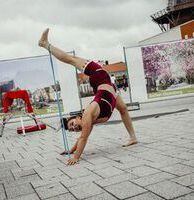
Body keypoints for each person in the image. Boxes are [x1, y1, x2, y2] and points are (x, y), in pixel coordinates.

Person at [38, 28, 137, 165]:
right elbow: (82, 136)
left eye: (72, 124)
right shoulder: (86, 121)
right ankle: (133, 137)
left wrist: (75, 157)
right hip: (109, 89)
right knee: (123, 109)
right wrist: (71, 150)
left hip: (100, 77)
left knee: (71, 59)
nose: (74, 128)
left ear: (78, 117)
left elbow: (83, 138)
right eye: (72, 129)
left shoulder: (87, 116)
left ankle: (45, 44)